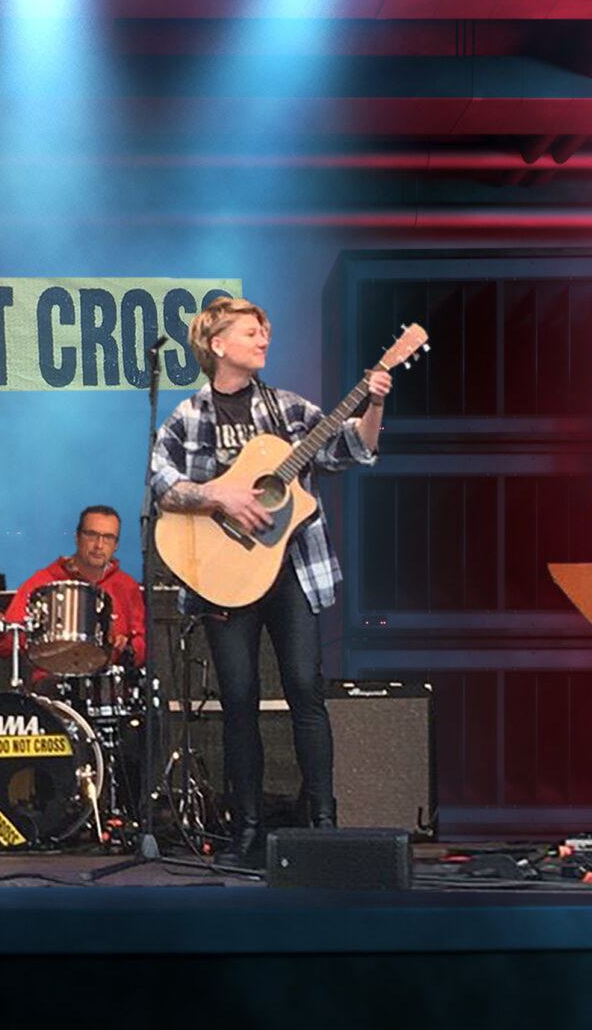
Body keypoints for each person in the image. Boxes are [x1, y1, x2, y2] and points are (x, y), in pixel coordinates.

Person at [149, 296, 388, 867]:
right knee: (238, 700)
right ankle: (247, 831)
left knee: (306, 690)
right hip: (222, 576)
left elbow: (353, 446)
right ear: (217, 344)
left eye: (265, 332)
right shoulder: (188, 415)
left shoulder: (287, 409)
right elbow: (160, 482)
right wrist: (218, 495)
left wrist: (375, 402)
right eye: (251, 332)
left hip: (292, 572)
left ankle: (323, 824)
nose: (263, 340)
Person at [0, 505, 147, 681]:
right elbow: (8, 646)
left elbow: (144, 645)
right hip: (50, 687)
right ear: (77, 537)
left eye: (108, 538)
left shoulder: (126, 587)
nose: (99, 545)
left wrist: (127, 649)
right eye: (91, 535)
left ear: (116, 545)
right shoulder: (42, 581)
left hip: (107, 688)